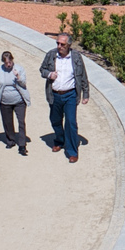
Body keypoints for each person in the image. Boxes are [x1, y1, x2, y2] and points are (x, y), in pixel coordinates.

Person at [38, 31, 91, 163]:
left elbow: (83, 75)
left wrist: (86, 94)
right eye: (58, 43)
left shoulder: (76, 57)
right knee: (55, 120)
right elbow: (42, 69)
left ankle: (72, 151)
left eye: (62, 44)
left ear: (68, 45)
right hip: (54, 94)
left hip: (70, 95)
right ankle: (60, 140)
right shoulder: (51, 55)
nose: (59, 46)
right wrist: (49, 75)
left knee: (71, 123)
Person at [0, 49, 30, 152]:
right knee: (7, 122)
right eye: (6, 63)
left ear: (12, 60)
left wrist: (18, 76)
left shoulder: (19, 68)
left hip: (19, 101)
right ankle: (10, 140)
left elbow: (24, 83)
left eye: (10, 62)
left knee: (21, 122)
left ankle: (22, 145)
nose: (8, 65)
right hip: (5, 102)